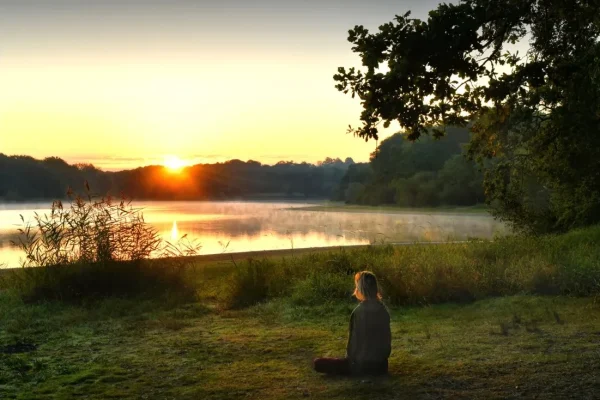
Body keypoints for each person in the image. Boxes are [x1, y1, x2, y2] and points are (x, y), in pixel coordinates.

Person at [313, 271, 391, 376]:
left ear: (360, 289)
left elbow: (352, 346)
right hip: (381, 366)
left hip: (361, 366)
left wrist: (351, 360)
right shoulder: (383, 310)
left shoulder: (358, 312)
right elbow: (387, 341)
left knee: (318, 363)